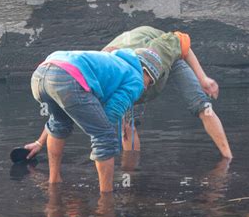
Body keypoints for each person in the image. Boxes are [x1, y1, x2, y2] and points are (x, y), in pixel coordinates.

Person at [25, 47, 163, 192]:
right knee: (105, 137)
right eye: (150, 82)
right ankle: (106, 199)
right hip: (68, 77)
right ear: (146, 70)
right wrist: (108, 141)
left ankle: (54, 181)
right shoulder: (136, 78)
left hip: (41, 74)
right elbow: (111, 114)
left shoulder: (114, 62)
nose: (146, 88)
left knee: (59, 123)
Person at [103, 27, 232, 160]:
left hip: (165, 56)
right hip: (126, 67)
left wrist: (202, 78)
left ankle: (228, 158)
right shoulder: (105, 74)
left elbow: (181, 42)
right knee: (127, 127)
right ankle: (130, 174)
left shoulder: (159, 50)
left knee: (204, 107)